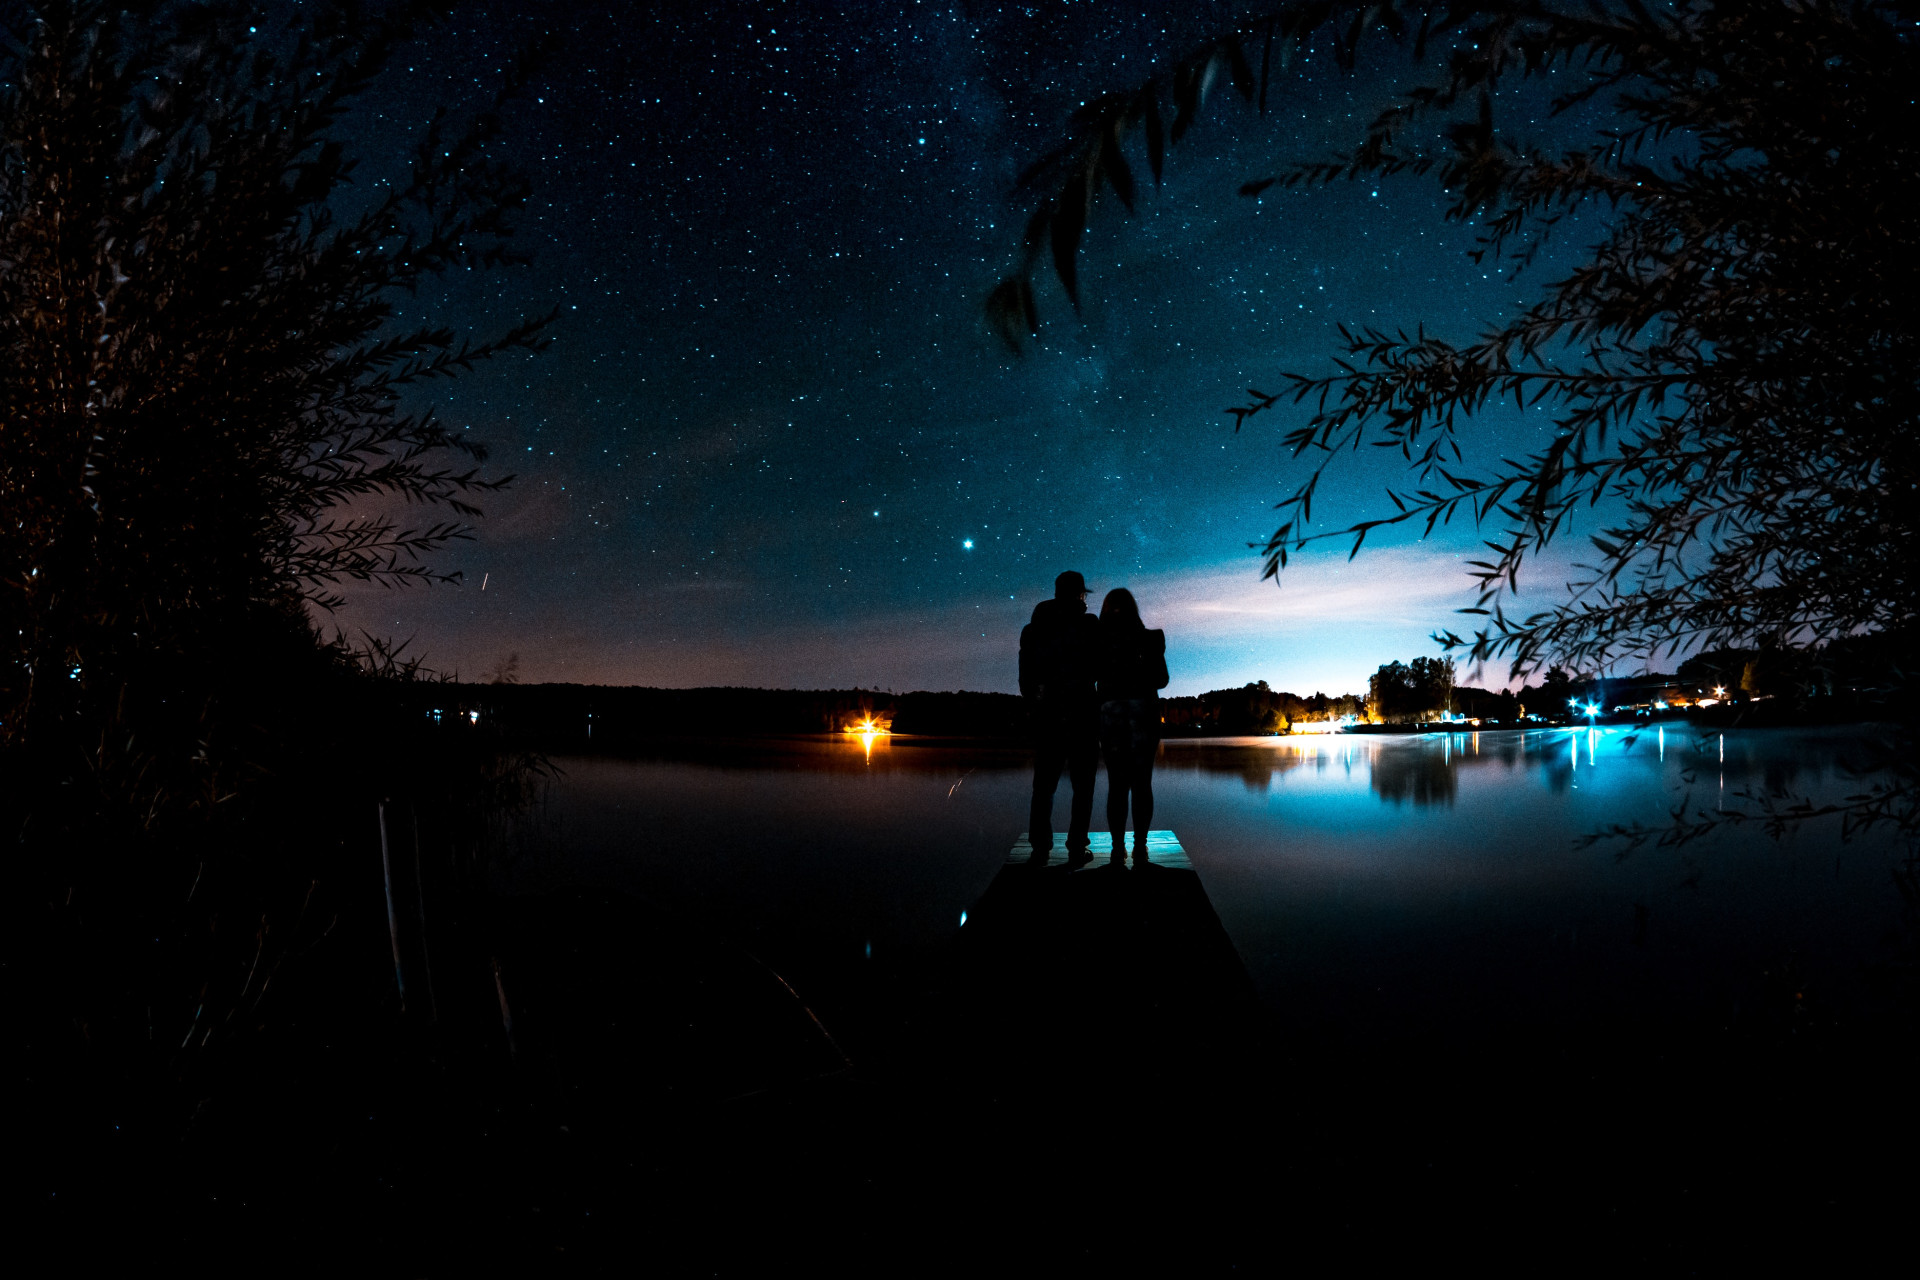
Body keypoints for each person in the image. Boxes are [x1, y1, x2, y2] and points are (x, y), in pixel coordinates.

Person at [1019, 571, 1102, 868]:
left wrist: (1033, 705)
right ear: (1079, 594)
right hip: (1083, 713)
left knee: (1043, 786)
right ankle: (1077, 847)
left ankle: (1040, 849)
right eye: (1083, 594)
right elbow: (1099, 669)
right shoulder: (1090, 625)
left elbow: (1025, 677)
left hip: (1047, 715)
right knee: (1083, 787)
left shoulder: (1033, 629)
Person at [1095, 588, 1168, 868]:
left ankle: (1117, 851)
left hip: (1111, 715)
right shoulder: (1151, 638)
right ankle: (1140, 849)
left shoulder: (1098, 641)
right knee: (1141, 784)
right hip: (1144, 713)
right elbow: (1161, 679)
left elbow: (1093, 678)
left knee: (1117, 785)